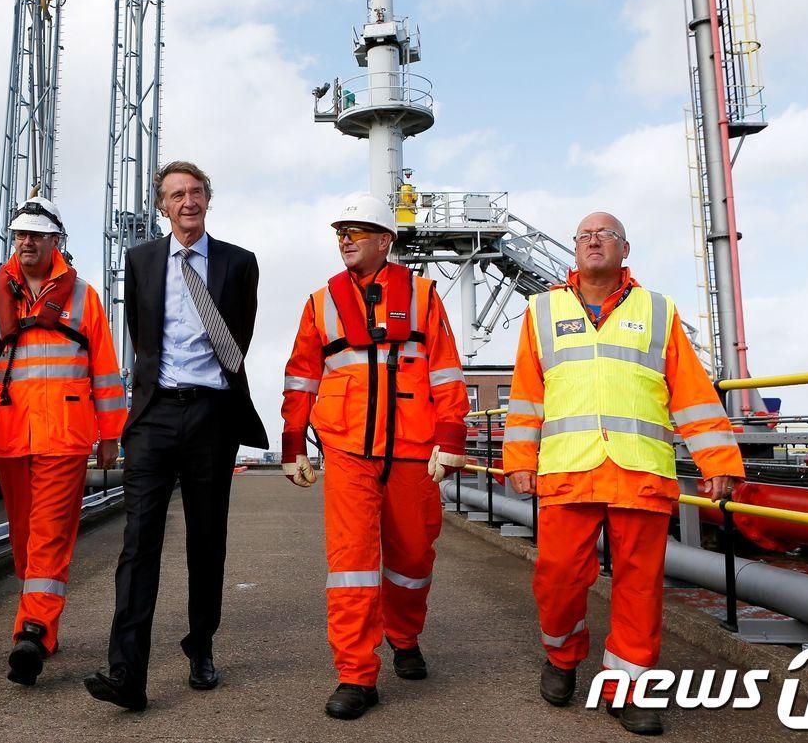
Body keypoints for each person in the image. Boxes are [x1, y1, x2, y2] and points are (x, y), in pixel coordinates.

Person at [503, 211, 744, 736]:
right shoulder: (541, 311)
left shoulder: (658, 310)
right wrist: (519, 459)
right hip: (568, 471)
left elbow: (693, 393)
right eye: (584, 235)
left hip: (640, 472)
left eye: (605, 234)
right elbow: (526, 394)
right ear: (575, 249)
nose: (594, 241)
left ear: (624, 249)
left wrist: (719, 461)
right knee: (557, 579)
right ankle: (562, 656)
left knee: (640, 588)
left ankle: (630, 688)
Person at [84, 160, 266, 711]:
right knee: (139, 542)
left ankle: (200, 644)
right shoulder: (141, 260)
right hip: (155, 415)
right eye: (176, 194)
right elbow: (143, 337)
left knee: (206, 540)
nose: (187, 202)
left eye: (195, 192)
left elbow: (238, 339)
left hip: (212, 415)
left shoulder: (239, 263)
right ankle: (127, 674)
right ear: (162, 206)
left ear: (208, 199)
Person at [281, 193, 470, 720]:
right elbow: (301, 377)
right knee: (351, 566)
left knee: (413, 559)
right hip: (347, 451)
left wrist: (451, 439)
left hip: (413, 450)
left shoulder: (424, 296)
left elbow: (446, 372)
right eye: (340, 232)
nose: (345, 240)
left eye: (356, 231)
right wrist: (293, 443)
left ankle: (404, 637)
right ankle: (356, 674)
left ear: (385, 240)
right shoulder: (321, 302)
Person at [0, 197, 126, 686]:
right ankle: (41, 623)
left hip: (66, 435)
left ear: (56, 241)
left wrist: (111, 434)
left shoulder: (84, 297)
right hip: (11, 434)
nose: (26, 242)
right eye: (20, 235)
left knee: (49, 535)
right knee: (24, 538)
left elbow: (105, 369)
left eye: (36, 235)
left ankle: (30, 631)